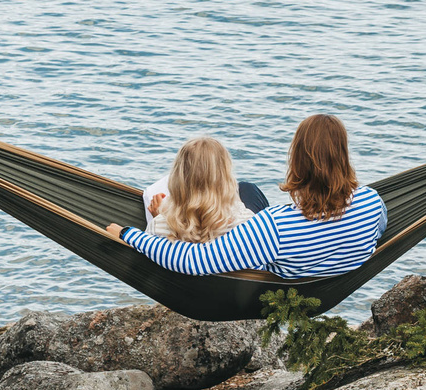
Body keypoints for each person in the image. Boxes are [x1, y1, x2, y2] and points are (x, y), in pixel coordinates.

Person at [107, 114, 386, 277]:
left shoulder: (272, 226)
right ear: (344, 156)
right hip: (332, 277)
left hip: (268, 288)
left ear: (296, 161)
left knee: (246, 189)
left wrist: (130, 233)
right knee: (246, 190)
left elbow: (192, 261)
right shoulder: (372, 202)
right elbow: (377, 231)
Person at [143, 136, 256, 241]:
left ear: (177, 179)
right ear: (226, 179)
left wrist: (160, 215)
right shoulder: (246, 223)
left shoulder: (157, 227)